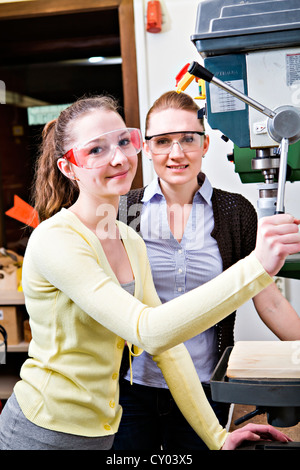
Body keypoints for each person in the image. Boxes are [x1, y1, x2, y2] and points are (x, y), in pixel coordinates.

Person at [0, 95, 298, 451]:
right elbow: (149, 331)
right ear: (69, 167)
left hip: (102, 431)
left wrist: (217, 437)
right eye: (96, 150)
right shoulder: (57, 239)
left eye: (124, 141)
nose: (119, 157)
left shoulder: (128, 238)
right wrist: (257, 266)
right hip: (43, 431)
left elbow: (167, 349)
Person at [114, 91, 300, 451]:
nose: (177, 152)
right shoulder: (125, 210)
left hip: (203, 386)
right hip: (133, 386)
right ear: (147, 149)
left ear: (205, 144)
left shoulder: (234, 211)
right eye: (163, 141)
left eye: (188, 138)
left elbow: (267, 298)